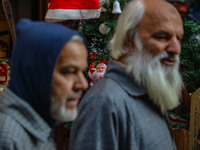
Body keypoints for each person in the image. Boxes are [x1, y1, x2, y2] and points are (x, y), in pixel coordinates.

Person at [70, 0, 184, 150]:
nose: (176, 48)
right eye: (162, 37)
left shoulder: (149, 91)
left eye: (179, 38)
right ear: (130, 39)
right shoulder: (105, 102)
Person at [0, 19, 88, 149]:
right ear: (37, 72)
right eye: (69, 72)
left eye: (82, 72)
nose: (83, 84)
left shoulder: (36, 124)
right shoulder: (8, 137)